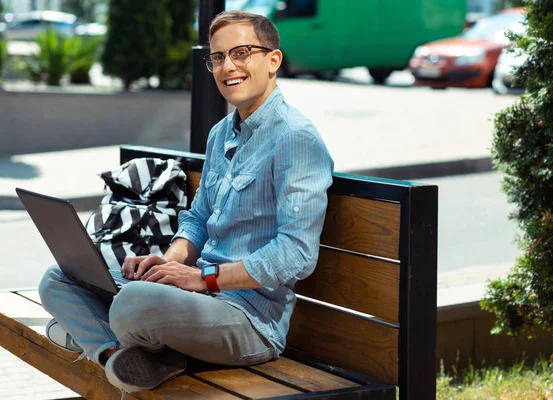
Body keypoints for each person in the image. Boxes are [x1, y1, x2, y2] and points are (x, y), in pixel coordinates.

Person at [38, 10, 333, 393]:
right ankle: (121, 357)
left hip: (249, 319)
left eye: (241, 53)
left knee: (130, 307)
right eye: (218, 57)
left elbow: (296, 254)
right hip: (194, 299)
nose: (228, 67)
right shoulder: (220, 134)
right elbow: (197, 218)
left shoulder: (296, 138)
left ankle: (99, 339)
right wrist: (169, 261)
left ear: (273, 60)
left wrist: (200, 278)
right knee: (58, 279)